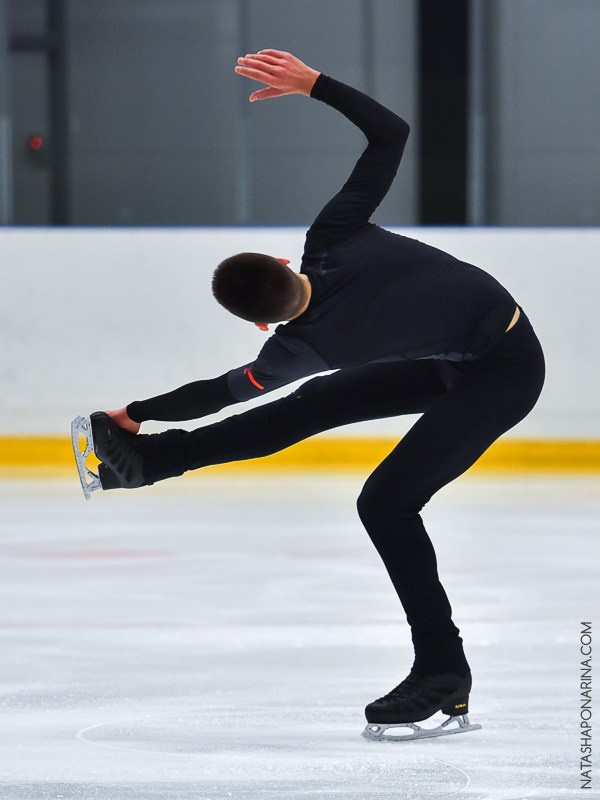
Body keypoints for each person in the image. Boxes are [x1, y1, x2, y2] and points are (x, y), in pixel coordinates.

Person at [74, 50, 545, 740]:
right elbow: (392, 134)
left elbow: (221, 393)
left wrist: (137, 410)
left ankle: (443, 669)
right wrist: (314, 84)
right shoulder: (336, 234)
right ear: (284, 261)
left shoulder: (297, 349)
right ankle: (151, 463)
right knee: (311, 408)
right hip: (474, 349)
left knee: (385, 499)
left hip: (503, 373)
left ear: (260, 321)